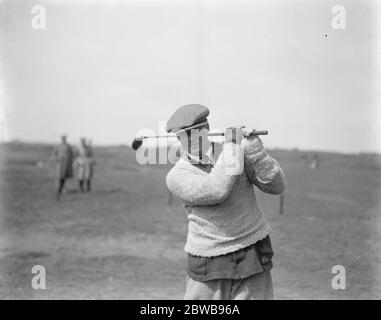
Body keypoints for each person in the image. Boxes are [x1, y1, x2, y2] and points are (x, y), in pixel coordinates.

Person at [165, 104, 286, 300]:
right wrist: (232, 147)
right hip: (208, 261)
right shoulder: (177, 176)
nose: (193, 139)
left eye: (198, 132)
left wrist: (254, 149)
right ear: (178, 138)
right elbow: (216, 190)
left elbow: (276, 186)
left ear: (207, 129)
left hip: (252, 255)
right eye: (186, 135)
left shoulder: (235, 152)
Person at [53, 135, 74, 200]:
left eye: (64, 138)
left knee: (64, 177)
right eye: (62, 138)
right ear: (61, 139)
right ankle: (58, 190)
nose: (64, 139)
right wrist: (56, 159)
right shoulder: (58, 145)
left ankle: (61, 189)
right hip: (60, 164)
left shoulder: (68, 146)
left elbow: (72, 154)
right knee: (59, 177)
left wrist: (70, 160)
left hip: (66, 164)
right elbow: (54, 153)